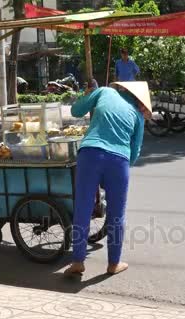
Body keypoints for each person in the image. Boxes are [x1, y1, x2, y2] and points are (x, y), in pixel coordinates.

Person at [64, 81, 151, 276]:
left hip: (89, 154)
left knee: (83, 208)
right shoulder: (138, 115)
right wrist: (118, 171)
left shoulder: (104, 91)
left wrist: (88, 95)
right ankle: (114, 263)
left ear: (122, 88)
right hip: (119, 161)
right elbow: (135, 152)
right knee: (116, 214)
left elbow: (76, 111)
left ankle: (78, 262)